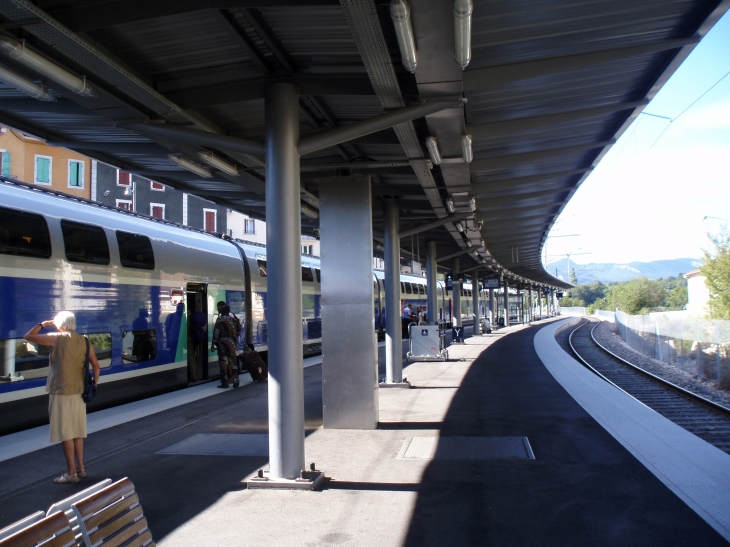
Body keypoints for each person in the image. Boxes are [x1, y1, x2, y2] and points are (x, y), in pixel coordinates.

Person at [24, 311, 100, 484]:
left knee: (67, 434)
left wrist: (44, 324)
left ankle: (71, 474)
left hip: (61, 393)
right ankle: (81, 469)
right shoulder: (85, 341)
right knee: (78, 433)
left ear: (61, 325)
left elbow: (28, 336)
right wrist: (94, 384)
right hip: (79, 393)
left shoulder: (56, 338)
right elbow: (96, 366)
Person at [211, 303, 241, 388]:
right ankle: (236, 381)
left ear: (222, 311)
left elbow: (216, 333)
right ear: (228, 311)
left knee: (223, 364)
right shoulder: (234, 320)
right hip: (232, 344)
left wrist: (213, 343)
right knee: (234, 363)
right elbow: (238, 332)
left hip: (223, 344)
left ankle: (225, 383)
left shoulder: (220, 320)